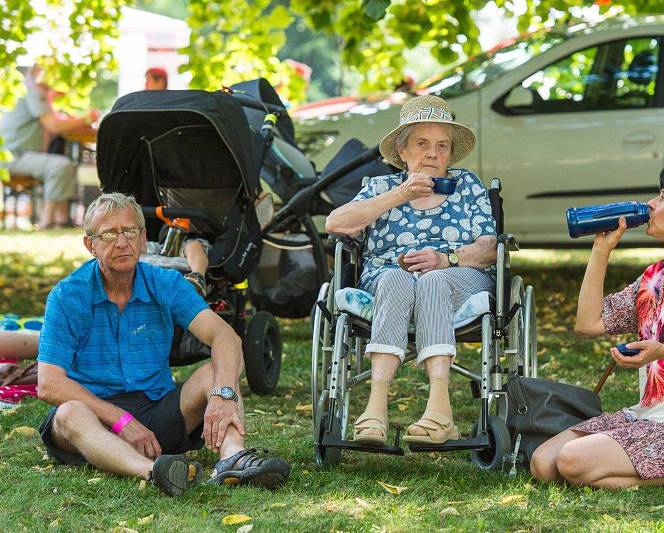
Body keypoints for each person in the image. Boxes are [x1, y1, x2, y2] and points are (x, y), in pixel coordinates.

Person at [36, 192, 290, 496]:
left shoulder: (165, 283)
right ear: (90, 244)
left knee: (216, 372)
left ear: (144, 239)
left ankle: (232, 457)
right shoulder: (67, 296)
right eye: (109, 234)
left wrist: (223, 394)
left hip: (157, 412)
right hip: (95, 423)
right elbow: (49, 384)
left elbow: (225, 337)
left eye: (130, 231)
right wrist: (121, 420)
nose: (122, 242)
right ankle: (154, 471)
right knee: (68, 414)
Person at [531, 164, 664, 489]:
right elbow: (588, 323)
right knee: (543, 463)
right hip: (648, 416)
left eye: (662, 197)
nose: (650, 204)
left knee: (571, 461)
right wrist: (601, 250)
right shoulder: (654, 276)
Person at [325, 95, 497, 446]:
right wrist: (399, 195)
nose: (433, 154)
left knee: (432, 279)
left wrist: (446, 259)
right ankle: (375, 411)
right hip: (389, 280)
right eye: (422, 144)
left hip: (458, 276)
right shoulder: (380, 187)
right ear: (402, 151)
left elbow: (489, 248)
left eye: (442, 146)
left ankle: (440, 412)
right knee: (395, 278)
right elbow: (335, 224)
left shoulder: (468, 186)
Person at [0, 64, 98, 228]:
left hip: (20, 154)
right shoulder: (32, 91)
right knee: (60, 166)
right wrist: (88, 118)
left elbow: (57, 122)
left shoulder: (38, 94)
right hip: (12, 156)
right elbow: (54, 125)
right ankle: (47, 221)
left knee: (68, 166)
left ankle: (61, 219)